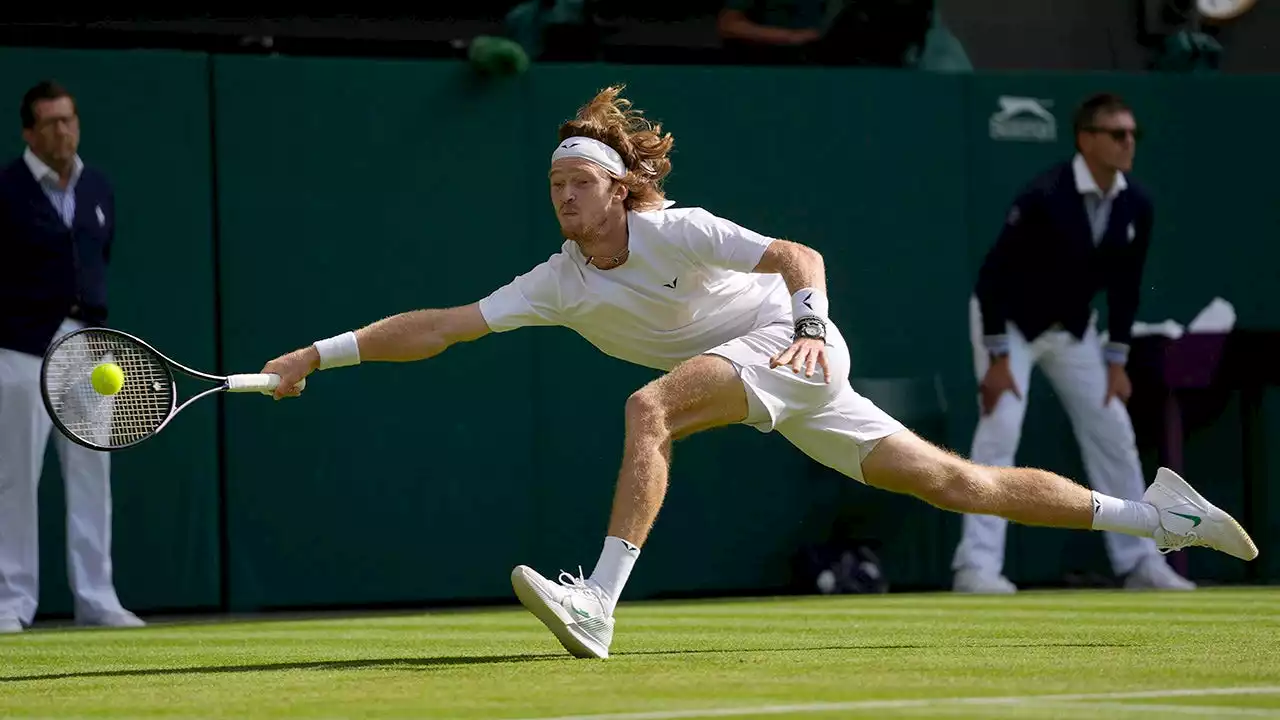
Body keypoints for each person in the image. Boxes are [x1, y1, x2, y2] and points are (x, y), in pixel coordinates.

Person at [259, 85, 1257, 659]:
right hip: (778, 375)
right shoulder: (558, 280)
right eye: (552, 185)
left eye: (579, 183)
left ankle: (596, 603)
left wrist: (813, 329)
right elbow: (440, 327)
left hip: (785, 344)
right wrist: (315, 354)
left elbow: (795, 255)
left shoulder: (675, 231)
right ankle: (1156, 516)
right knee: (960, 483)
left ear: (617, 188)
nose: (562, 197)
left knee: (646, 405)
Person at [951, 92, 1196, 595]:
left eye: (1134, 134)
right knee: (1000, 431)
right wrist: (998, 358)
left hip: (1075, 332)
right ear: (1086, 140)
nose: (1129, 143)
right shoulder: (1044, 194)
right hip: (1011, 327)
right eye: (1117, 134)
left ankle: (1140, 561)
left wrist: (1117, 360)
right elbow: (992, 279)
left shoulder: (1136, 204)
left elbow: (1127, 287)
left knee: (1114, 434)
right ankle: (976, 567)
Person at [0, 80, 144, 633]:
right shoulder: (6, 190)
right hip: (19, 348)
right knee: (16, 477)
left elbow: (99, 256)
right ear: (30, 133)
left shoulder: (99, 188)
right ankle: (12, 601)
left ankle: (97, 597)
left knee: (91, 471)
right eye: (51, 122)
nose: (64, 130)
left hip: (87, 348)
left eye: (70, 119)